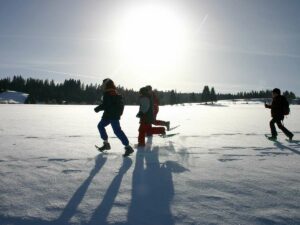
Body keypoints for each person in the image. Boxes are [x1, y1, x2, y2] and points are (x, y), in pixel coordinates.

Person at [94, 78, 134, 156]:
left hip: (112, 116)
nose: (102, 85)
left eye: (103, 84)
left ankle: (128, 147)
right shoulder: (113, 92)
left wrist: (97, 108)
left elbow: (106, 105)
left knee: (117, 131)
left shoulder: (108, 93)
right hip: (110, 115)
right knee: (101, 126)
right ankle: (106, 144)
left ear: (106, 84)